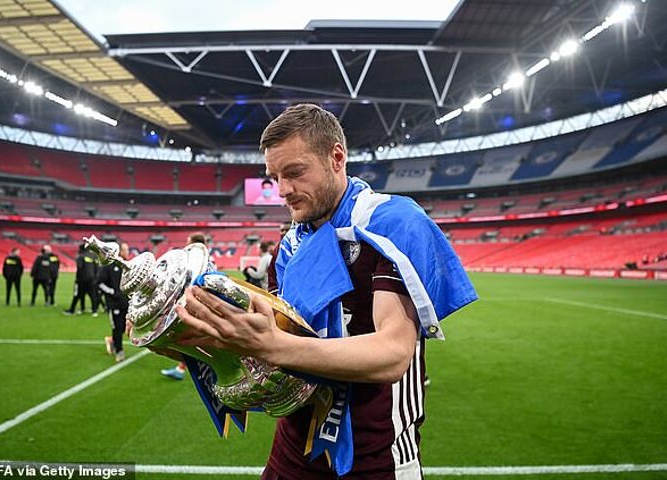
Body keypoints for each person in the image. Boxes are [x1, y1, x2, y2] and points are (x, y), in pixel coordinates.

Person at [173, 104, 477, 479]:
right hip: (292, 452)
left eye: (294, 172)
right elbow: (276, 351)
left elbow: (393, 353)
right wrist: (203, 338)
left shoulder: (393, 224)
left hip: (376, 457)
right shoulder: (288, 248)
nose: (282, 190)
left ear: (336, 158)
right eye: (274, 177)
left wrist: (273, 345)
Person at [160, 233, 212, 380]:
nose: (186, 246)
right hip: (200, 304)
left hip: (195, 304)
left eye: (188, 243)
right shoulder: (206, 259)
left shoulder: (198, 262)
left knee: (190, 340)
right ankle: (182, 369)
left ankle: (196, 371)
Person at [98, 242, 130, 363]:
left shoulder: (127, 265)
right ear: (120, 251)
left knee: (125, 327)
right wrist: (112, 292)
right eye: (126, 250)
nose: (128, 252)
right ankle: (119, 351)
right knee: (117, 327)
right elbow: (99, 283)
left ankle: (111, 340)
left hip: (126, 302)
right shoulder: (108, 266)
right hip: (114, 303)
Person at [63, 244, 99, 316]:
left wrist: (77, 279)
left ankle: (72, 310)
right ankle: (94, 311)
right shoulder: (94, 256)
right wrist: (95, 278)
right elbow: (97, 268)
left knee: (78, 294)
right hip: (92, 279)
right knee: (92, 295)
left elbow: (80, 268)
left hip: (82, 279)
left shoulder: (80, 256)